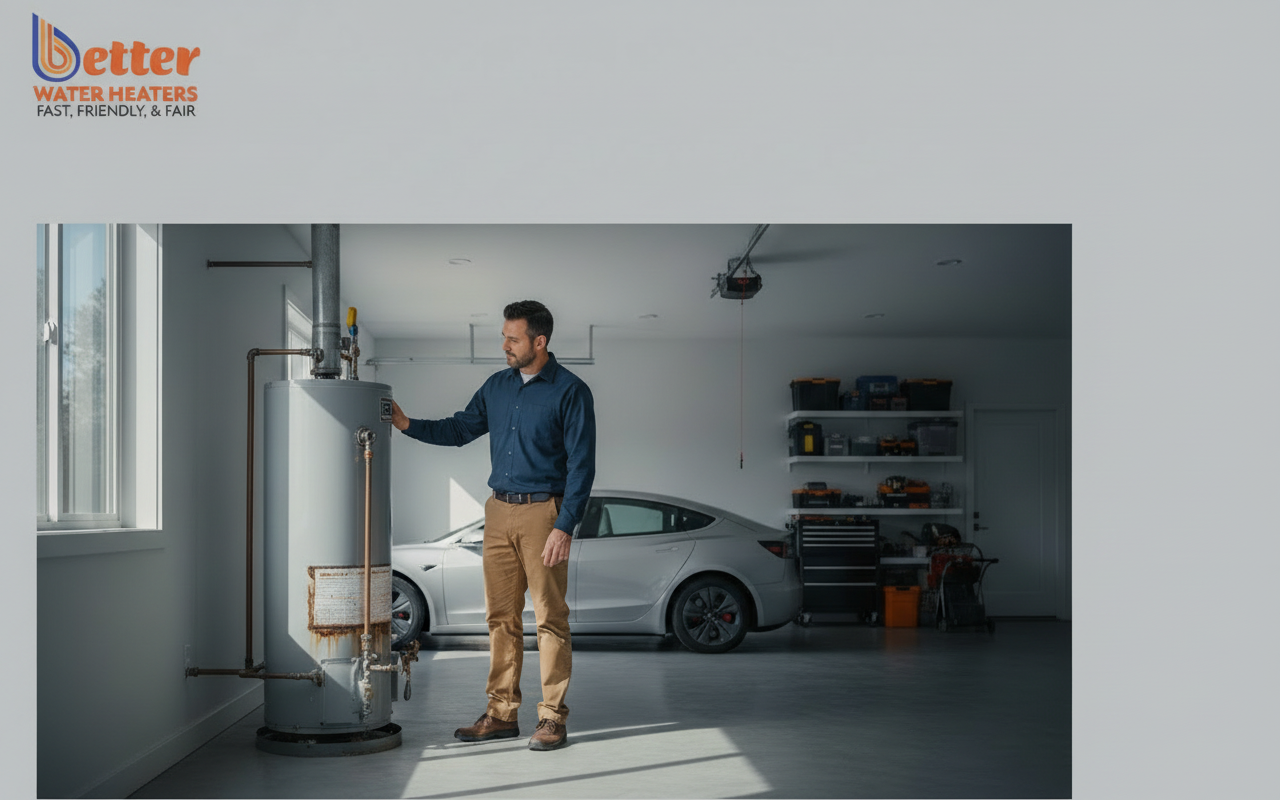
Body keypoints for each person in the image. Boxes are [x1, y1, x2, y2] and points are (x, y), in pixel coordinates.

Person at [390, 300, 595, 752]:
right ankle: (501, 713)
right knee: (500, 618)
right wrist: (406, 425)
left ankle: (552, 718)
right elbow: (460, 428)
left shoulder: (570, 391)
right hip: (498, 512)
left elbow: (582, 465)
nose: (504, 345)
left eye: (513, 338)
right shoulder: (497, 387)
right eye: (504, 336)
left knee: (550, 619)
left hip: (545, 512)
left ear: (539, 342)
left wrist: (564, 525)